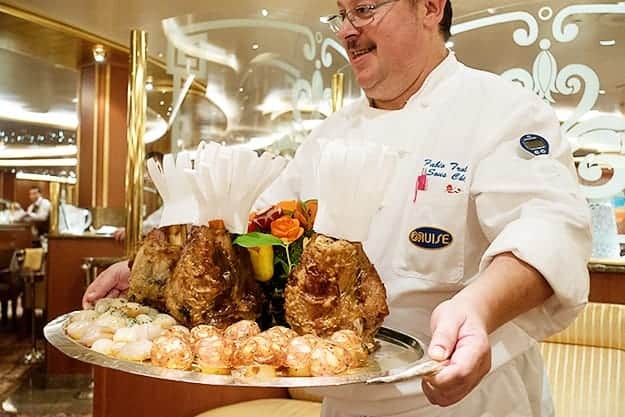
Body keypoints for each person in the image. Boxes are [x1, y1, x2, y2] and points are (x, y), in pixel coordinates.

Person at [83, 1, 592, 416]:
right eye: (342, 15)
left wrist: (478, 309)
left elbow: (548, 229)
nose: (348, 30)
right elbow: (256, 226)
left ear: (431, 7)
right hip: (345, 397)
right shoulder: (331, 134)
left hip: (467, 398)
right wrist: (147, 272)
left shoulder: (501, 110)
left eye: (365, 10)